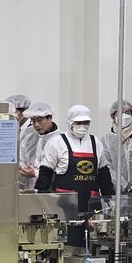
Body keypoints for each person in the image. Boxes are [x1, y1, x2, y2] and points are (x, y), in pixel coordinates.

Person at [35, 105, 115, 246]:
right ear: (69, 122)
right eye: (78, 123)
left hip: (92, 206)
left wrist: (111, 199)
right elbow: (45, 174)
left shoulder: (95, 142)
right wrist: (41, 202)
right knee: (66, 245)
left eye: (86, 123)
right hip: (65, 206)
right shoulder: (57, 143)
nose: (82, 126)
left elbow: (103, 174)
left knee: (91, 245)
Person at [101, 100, 132, 193]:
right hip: (115, 192)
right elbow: (108, 168)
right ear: (113, 116)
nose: (124, 116)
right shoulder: (106, 141)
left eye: (127, 112)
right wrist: (124, 185)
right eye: (120, 113)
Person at [19, 102, 60, 190]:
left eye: (40, 120)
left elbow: (62, 171)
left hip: (51, 192)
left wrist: (35, 173)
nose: (36, 125)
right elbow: (22, 159)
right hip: (30, 190)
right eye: (33, 121)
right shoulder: (29, 138)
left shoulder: (60, 141)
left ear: (50, 118)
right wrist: (22, 167)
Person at [7, 94, 35, 189]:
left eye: (13, 112)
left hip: (29, 177)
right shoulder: (11, 126)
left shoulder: (33, 130)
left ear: (23, 112)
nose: (10, 115)